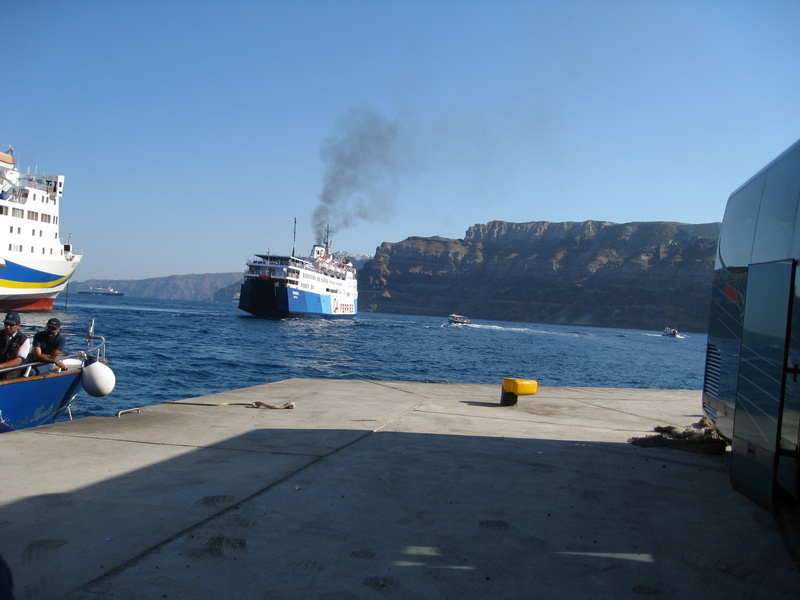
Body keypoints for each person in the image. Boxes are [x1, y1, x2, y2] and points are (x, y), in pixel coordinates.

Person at [0, 312, 30, 380]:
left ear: (18, 325)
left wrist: (1, 366)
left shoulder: (24, 340)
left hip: (10, 376)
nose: (7, 327)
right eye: (6, 324)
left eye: (11, 324)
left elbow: (18, 361)